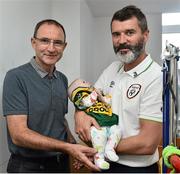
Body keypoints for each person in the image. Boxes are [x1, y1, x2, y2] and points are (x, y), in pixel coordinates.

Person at [2, 19, 99, 173]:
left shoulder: (62, 79)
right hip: (28, 167)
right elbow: (18, 135)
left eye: (58, 43)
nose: (51, 48)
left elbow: (60, 122)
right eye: (45, 41)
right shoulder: (15, 77)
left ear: (64, 46)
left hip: (61, 164)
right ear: (33, 43)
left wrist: (76, 148)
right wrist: (68, 148)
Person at [75, 5, 162, 173]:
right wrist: (79, 114)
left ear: (146, 35)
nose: (122, 40)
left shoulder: (156, 76)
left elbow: (147, 143)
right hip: (103, 164)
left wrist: (97, 148)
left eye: (129, 32)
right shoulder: (112, 69)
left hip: (135, 169)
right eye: (116, 34)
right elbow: (87, 100)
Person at [68, 78, 121, 170]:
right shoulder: (80, 95)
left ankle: (110, 149)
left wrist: (101, 96)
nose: (88, 82)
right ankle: (99, 159)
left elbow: (108, 102)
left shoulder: (95, 94)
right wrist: (95, 93)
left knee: (117, 131)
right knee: (99, 139)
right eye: (84, 82)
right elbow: (85, 103)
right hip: (97, 125)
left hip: (109, 121)